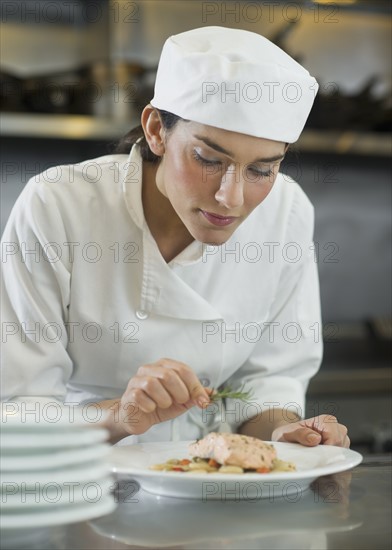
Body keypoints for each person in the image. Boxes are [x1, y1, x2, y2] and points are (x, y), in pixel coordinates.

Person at [1, 26, 349, 447]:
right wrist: (123, 415)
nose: (230, 198)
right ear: (155, 130)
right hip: (80, 477)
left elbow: (268, 383)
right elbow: (19, 408)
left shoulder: (286, 213)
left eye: (262, 170)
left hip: (214, 479)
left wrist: (283, 432)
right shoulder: (59, 206)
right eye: (207, 158)